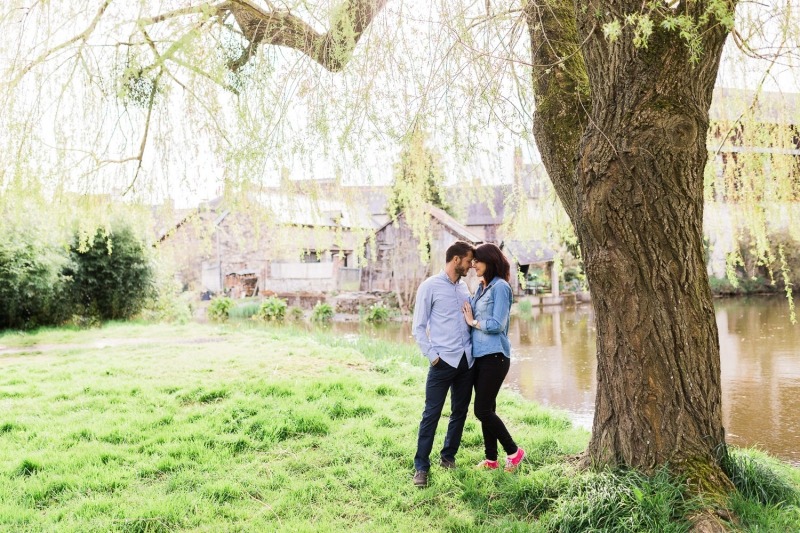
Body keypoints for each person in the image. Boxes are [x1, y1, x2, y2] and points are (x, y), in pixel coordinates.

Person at [411, 240, 477, 488]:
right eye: (469, 261)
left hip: (465, 362)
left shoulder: (464, 288)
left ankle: (448, 457)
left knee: (460, 412)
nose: (471, 266)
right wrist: (433, 356)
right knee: (431, 414)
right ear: (456, 259)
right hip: (442, 362)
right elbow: (418, 327)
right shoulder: (429, 287)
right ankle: (421, 467)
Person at [462, 243, 525, 472]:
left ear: (490, 261)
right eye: (472, 261)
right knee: (488, 408)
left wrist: (474, 323)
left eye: (477, 261)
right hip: (479, 356)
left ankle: (515, 452)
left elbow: (497, 324)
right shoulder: (482, 287)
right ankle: (491, 460)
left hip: (495, 356)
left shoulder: (500, 288)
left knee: (482, 410)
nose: (473, 265)